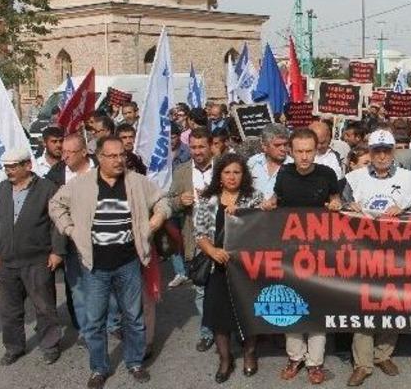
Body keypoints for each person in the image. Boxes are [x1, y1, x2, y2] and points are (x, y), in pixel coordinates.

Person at [49, 136, 170, 388]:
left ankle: (135, 362)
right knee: (94, 322)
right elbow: (55, 204)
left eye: (121, 155)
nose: (118, 160)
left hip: (129, 262)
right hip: (94, 266)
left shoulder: (136, 182)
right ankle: (99, 368)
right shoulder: (81, 184)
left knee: (134, 318)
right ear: (100, 157)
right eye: (112, 156)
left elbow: (162, 201)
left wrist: (157, 219)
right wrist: (70, 229)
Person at [341, 129, 411, 386]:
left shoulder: (410, 179)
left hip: (397, 253)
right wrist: (347, 207)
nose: (383, 155)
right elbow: (340, 212)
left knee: (392, 303)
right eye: (377, 151)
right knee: (363, 305)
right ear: (370, 152)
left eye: (387, 150)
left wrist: (406, 210)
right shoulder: (354, 178)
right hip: (363, 254)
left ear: (393, 151)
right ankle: (363, 363)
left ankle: (383, 354)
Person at [269, 128, 342, 385]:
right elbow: (276, 201)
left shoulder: (328, 174)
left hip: (320, 252)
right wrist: (267, 204)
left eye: (309, 151)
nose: (304, 157)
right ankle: (295, 357)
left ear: (316, 149)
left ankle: (315, 362)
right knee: (291, 305)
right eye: (299, 151)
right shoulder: (284, 174)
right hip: (289, 253)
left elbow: (337, 201)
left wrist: (337, 205)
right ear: (290, 151)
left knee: (317, 305)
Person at [0, 148, 64, 366]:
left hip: (37, 260)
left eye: (13, 167)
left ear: (27, 165)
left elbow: (58, 223)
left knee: (44, 306)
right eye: (6, 167)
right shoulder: (1, 190)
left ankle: (49, 345)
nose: (8, 171)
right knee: (9, 310)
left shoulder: (47, 189)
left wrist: (57, 251)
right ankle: (14, 347)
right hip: (7, 261)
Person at [193, 153, 264, 383]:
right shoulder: (207, 198)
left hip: (246, 268)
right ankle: (225, 359)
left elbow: (262, 228)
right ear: (219, 175)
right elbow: (199, 233)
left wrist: (243, 214)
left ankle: (249, 354)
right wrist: (212, 251)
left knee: (248, 314)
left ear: (243, 175)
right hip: (218, 268)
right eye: (227, 172)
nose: (232, 177)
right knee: (218, 316)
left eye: (237, 172)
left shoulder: (254, 198)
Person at [45, 133, 97, 335]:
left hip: (102, 239)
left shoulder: (102, 168)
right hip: (72, 242)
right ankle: (87, 331)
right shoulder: (56, 174)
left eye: (70, 152)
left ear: (84, 152)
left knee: (106, 286)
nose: (65, 156)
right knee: (78, 290)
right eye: (63, 152)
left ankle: (113, 325)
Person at [167, 127, 214, 351]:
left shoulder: (225, 167)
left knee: (226, 287)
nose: (197, 151)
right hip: (195, 238)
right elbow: (169, 201)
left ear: (211, 146)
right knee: (201, 288)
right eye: (193, 147)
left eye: (201, 146)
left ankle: (230, 329)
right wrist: (180, 202)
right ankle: (207, 332)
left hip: (224, 237)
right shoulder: (182, 171)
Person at [248, 124, 292, 200]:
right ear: (264, 146)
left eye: (285, 144)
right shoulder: (253, 162)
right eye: (277, 145)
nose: (283, 149)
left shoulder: (293, 166)